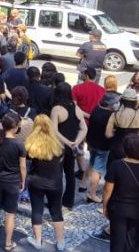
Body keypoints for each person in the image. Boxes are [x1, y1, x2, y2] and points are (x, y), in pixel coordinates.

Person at [102, 134, 139, 252]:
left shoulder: (117, 165)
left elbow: (107, 189)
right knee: (133, 241)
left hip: (118, 208)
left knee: (117, 241)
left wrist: (105, 206)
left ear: (125, 148)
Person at [0, 113, 26, 251]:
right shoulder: (19, 145)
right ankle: (8, 243)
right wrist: (23, 181)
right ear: (15, 127)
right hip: (12, 182)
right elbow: (23, 166)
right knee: (10, 214)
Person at [24, 114, 67, 250]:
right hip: (55, 182)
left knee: (37, 210)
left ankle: (37, 241)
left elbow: (26, 161)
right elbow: (60, 162)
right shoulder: (59, 145)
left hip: (36, 181)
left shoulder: (31, 144)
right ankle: (60, 243)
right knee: (56, 211)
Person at [51, 82, 87, 210]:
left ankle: (55, 201)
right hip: (72, 148)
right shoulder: (76, 108)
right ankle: (68, 201)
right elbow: (84, 128)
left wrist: (67, 142)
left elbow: (54, 130)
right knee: (70, 174)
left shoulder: (57, 109)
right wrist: (76, 142)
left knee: (57, 175)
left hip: (59, 147)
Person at [85, 92, 116, 204]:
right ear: (110, 104)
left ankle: (86, 187)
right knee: (97, 170)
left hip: (92, 141)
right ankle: (92, 194)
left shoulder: (96, 109)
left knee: (93, 164)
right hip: (103, 145)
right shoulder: (110, 115)